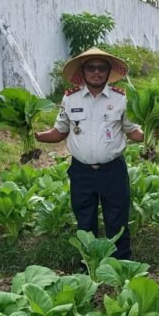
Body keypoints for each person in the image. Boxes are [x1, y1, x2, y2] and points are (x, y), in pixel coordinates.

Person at [35, 47, 143, 259]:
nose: (96, 72)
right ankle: (88, 266)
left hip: (113, 170)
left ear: (108, 72)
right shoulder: (70, 98)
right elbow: (60, 132)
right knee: (85, 222)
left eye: (101, 68)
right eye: (91, 68)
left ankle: (120, 265)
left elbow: (132, 131)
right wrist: (35, 135)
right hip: (81, 171)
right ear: (83, 71)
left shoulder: (121, 99)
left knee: (117, 221)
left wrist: (151, 131)